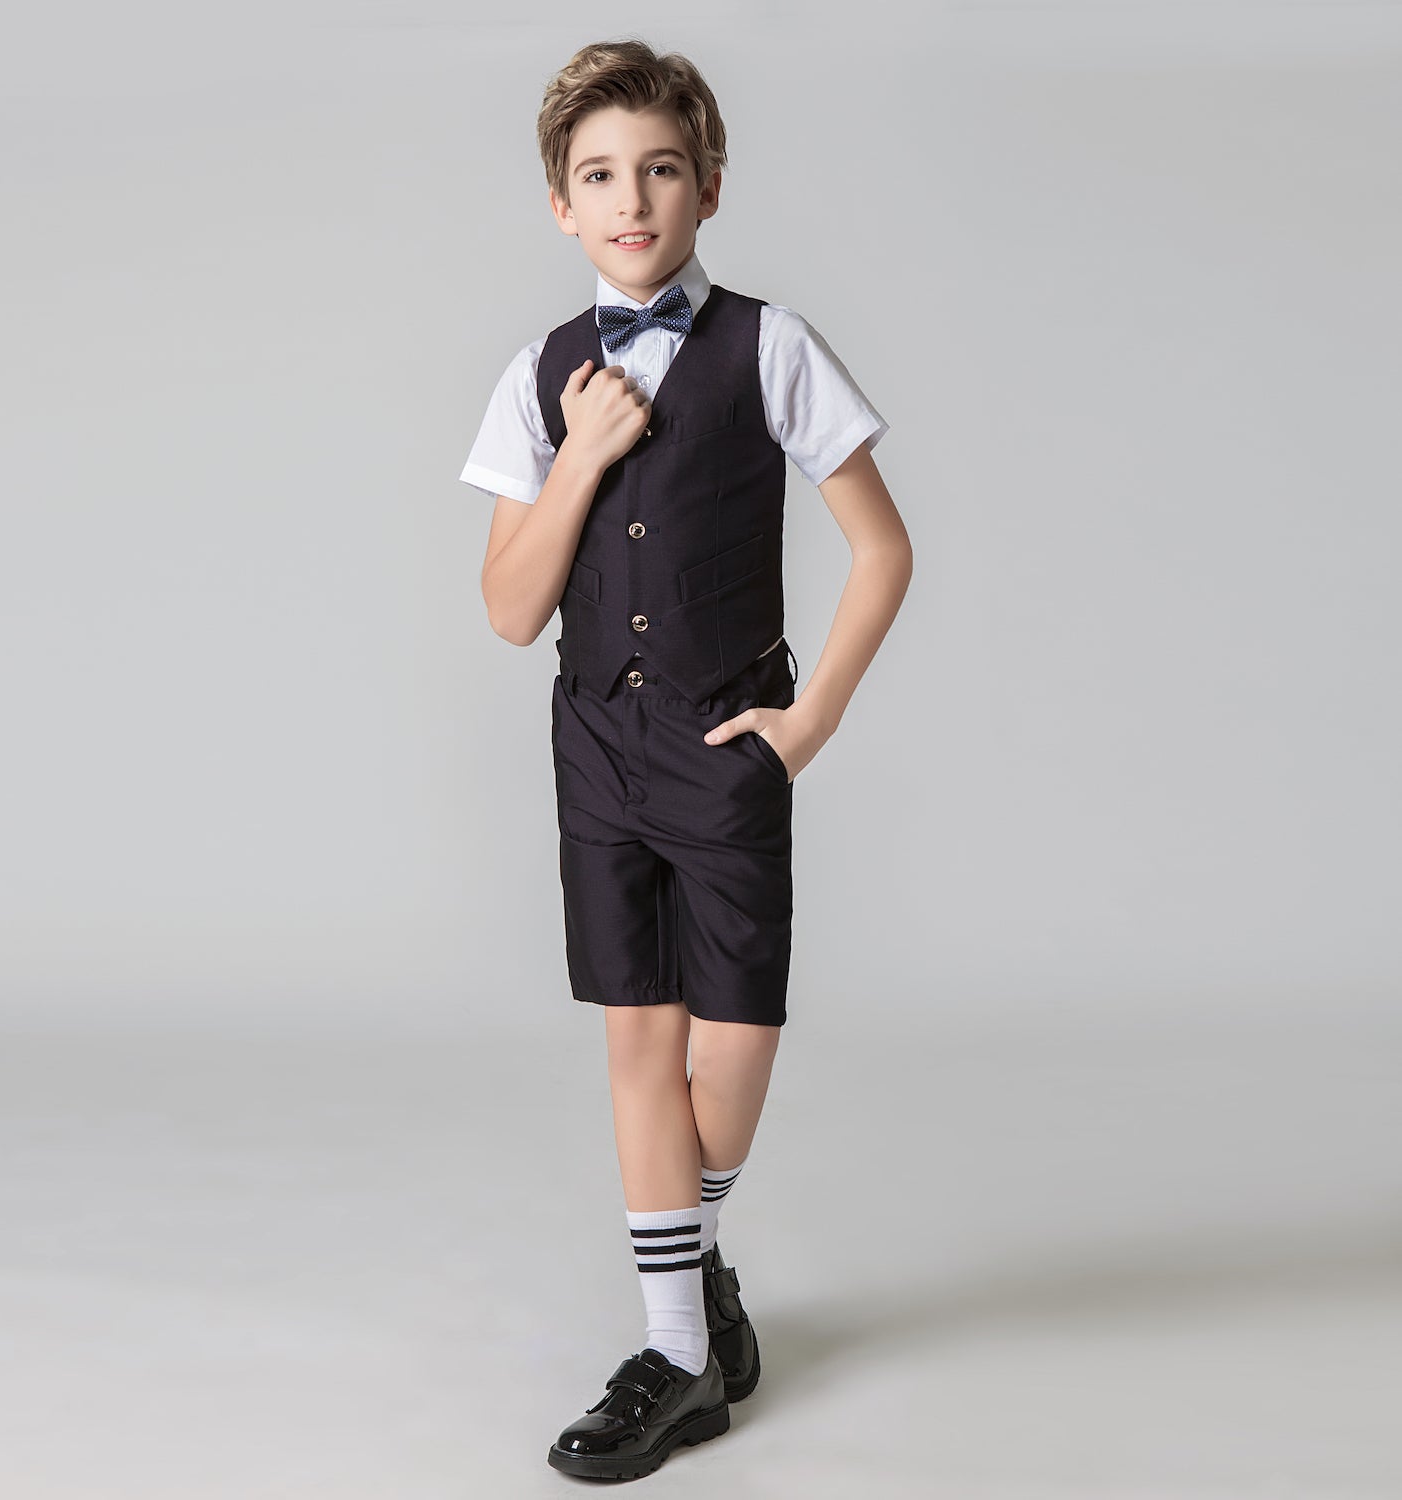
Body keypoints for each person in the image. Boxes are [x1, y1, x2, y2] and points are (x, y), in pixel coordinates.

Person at [459, 37, 913, 1481]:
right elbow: (510, 608)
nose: (632, 199)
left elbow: (883, 549)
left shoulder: (769, 345)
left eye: (660, 169)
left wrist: (810, 720)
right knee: (636, 1046)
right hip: (597, 746)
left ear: (708, 185)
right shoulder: (540, 375)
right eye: (600, 176)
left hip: (726, 745)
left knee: (731, 1053)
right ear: (561, 204)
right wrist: (583, 454)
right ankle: (675, 1352)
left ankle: (689, 1264)